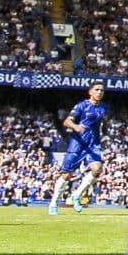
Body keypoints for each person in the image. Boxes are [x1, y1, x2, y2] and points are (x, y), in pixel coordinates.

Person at [48, 83, 107, 216]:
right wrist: (75, 127)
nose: (99, 92)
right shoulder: (82, 106)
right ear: (90, 92)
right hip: (78, 143)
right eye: (97, 90)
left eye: (102, 90)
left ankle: (76, 195)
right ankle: (53, 202)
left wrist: (105, 133)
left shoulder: (103, 108)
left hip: (93, 144)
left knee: (97, 169)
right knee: (66, 175)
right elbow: (67, 121)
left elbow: (104, 122)